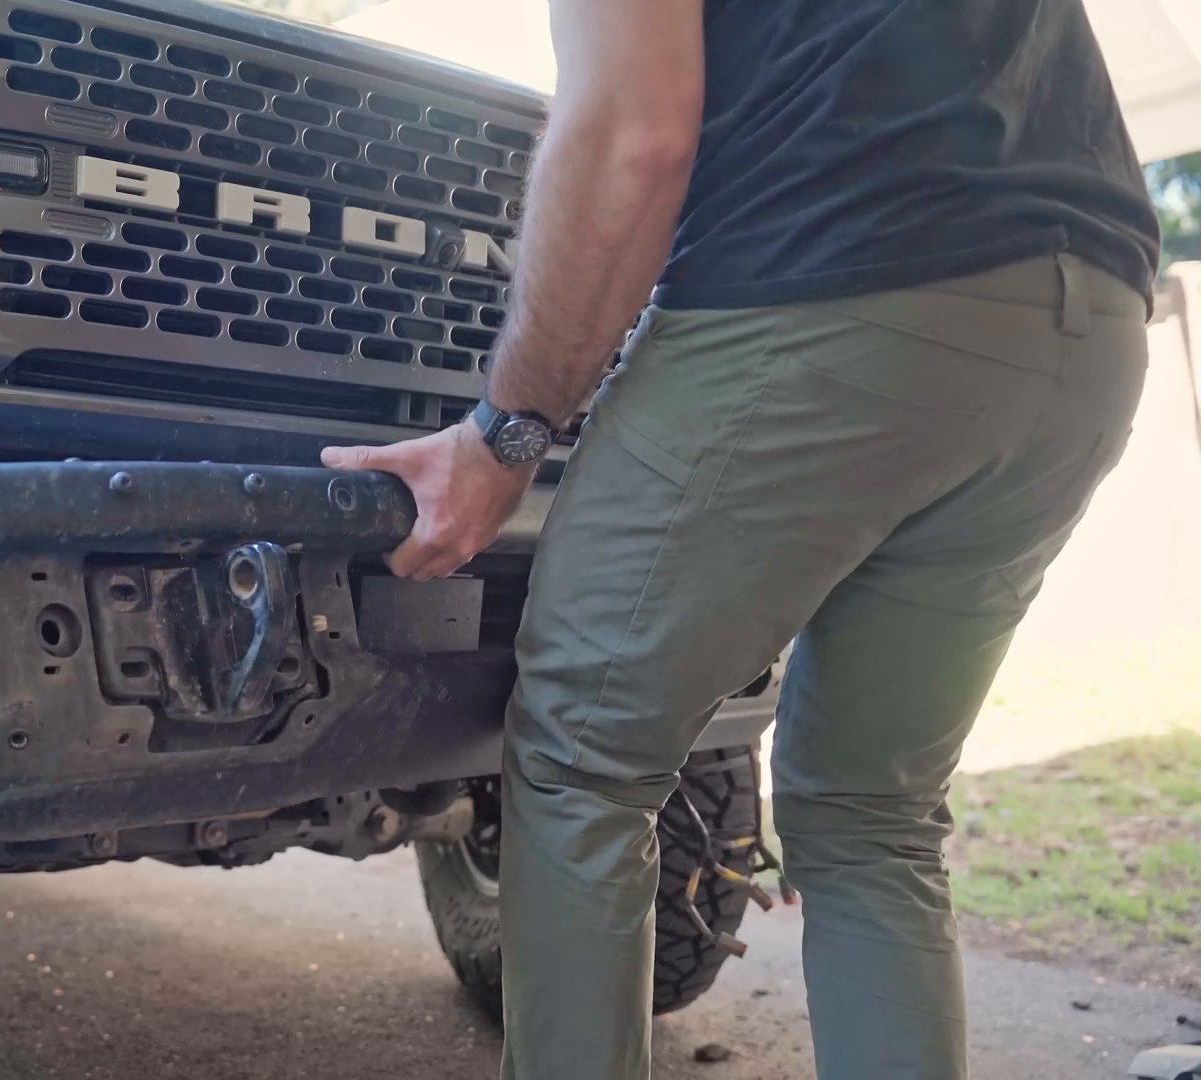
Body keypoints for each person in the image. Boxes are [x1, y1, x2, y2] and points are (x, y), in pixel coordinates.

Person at [320, 0, 1160, 1076]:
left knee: (583, 760)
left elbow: (638, 132)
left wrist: (504, 436)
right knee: (874, 814)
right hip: (1085, 329)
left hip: (832, 294)